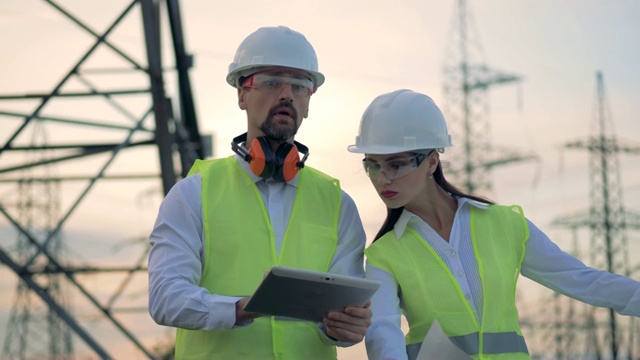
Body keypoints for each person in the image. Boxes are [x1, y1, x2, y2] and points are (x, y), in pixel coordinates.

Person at [347, 89, 640, 360]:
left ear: (432, 162)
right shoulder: (383, 255)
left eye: (395, 164)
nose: (382, 178)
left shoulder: (505, 225)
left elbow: (585, 281)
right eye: (372, 165)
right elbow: (382, 334)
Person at [148, 26, 371, 359]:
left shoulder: (338, 204)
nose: (286, 94)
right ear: (242, 94)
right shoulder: (193, 194)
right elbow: (165, 297)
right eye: (271, 82)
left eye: (299, 85)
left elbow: (342, 322)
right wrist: (239, 309)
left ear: (309, 102)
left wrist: (346, 328)